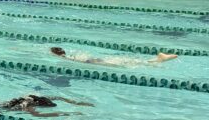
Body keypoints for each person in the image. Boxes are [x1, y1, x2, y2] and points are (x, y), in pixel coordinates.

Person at [50, 47, 178, 66]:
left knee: (126, 64)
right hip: (94, 60)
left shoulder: (64, 59)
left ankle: (157, 60)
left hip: (93, 62)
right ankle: (157, 60)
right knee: (127, 62)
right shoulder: (69, 57)